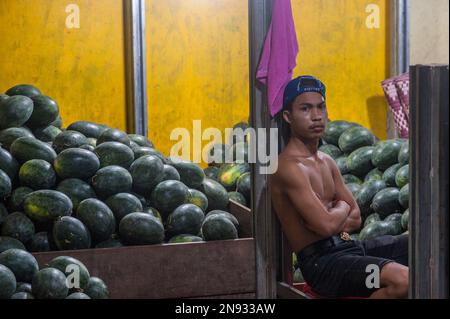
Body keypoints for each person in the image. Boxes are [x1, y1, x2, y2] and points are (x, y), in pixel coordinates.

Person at [270, 76, 409, 299]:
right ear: (288, 116)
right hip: (325, 267)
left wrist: (335, 213)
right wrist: (342, 208)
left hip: (350, 248)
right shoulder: (287, 167)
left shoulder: (327, 161)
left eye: (321, 107)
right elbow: (325, 227)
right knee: (403, 281)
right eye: (305, 109)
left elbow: (356, 219)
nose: (316, 116)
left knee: (423, 246)